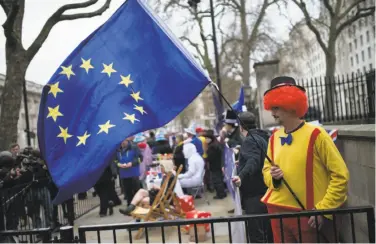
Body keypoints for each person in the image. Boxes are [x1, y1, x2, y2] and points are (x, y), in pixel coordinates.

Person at [261, 76, 350, 243]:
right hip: (276, 212)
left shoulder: (317, 135)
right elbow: (266, 169)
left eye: (276, 108)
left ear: (290, 105)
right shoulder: (274, 137)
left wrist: (323, 210)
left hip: (308, 216)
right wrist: (274, 178)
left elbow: (341, 175)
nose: (272, 113)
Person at [232, 111, 272, 243]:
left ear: (241, 127)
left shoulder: (249, 140)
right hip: (265, 191)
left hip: (254, 195)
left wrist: (241, 176)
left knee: (257, 235)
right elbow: (257, 158)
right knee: (267, 232)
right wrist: (241, 162)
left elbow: (253, 160)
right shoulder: (262, 137)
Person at [116, 136, 143, 206]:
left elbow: (140, 158)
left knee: (136, 191)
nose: (122, 143)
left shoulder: (134, 147)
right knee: (127, 192)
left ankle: (138, 205)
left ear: (127, 140)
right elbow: (115, 160)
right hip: (123, 174)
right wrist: (118, 164)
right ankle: (129, 206)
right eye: (121, 142)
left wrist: (132, 163)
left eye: (123, 141)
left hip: (134, 173)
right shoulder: (117, 149)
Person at [204, 130, 226, 199]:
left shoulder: (212, 147)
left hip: (214, 166)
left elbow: (210, 157)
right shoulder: (215, 144)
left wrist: (205, 158)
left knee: (217, 181)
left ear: (211, 139)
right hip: (218, 165)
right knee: (219, 180)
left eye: (207, 138)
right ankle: (222, 193)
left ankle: (220, 194)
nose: (206, 140)